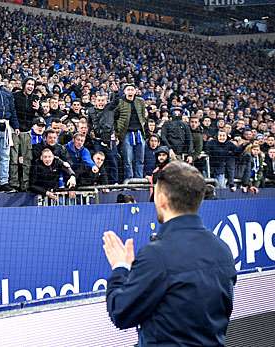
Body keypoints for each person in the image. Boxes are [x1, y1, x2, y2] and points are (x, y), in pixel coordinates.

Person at [103, 161, 237, 346]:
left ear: (162, 199)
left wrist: (120, 268)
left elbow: (121, 313)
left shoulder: (156, 255)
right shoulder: (222, 249)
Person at [114, 84, 147, 179]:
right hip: (126, 133)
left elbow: (143, 115)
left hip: (139, 133)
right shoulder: (120, 102)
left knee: (140, 159)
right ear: (124, 92)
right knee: (128, 159)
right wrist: (117, 132)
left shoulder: (140, 101)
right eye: (128, 89)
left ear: (135, 91)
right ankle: (129, 179)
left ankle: (139, 180)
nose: (130, 91)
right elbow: (115, 116)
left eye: (132, 89)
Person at [9, 116, 45, 191]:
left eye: (43, 126)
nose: (41, 128)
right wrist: (19, 155)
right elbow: (16, 150)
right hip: (23, 165)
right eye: (39, 125)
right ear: (33, 126)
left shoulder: (44, 138)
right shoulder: (24, 135)